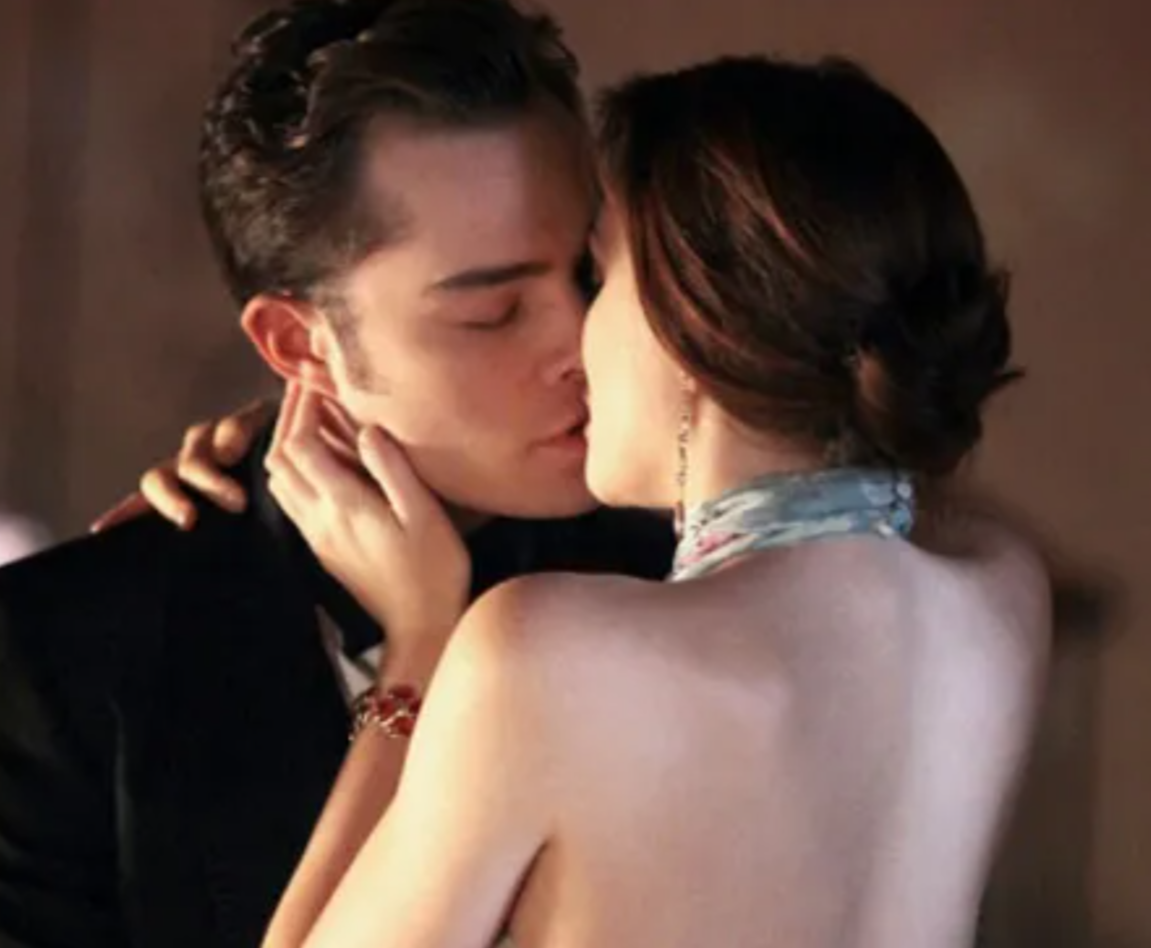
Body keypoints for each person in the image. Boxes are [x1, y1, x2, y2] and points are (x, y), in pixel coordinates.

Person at [117, 57, 1051, 948]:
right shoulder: (1002, 594)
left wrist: (421, 642)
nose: (570, 342)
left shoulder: (547, 655)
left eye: (595, 277)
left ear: (692, 324)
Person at [0, 2, 675, 946]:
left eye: (592, 276)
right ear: (298, 344)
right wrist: (421, 654)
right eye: (493, 314)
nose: (581, 343)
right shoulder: (64, 653)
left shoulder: (688, 590)